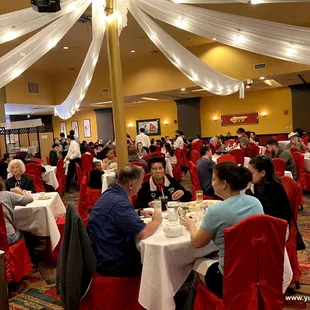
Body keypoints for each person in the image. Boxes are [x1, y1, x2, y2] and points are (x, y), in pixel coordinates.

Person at [181, 162, 264, 298]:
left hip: (229, 279)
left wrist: (190, 224)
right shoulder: (255, 202)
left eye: (214, 179)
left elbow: (197, 243)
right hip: (256, 269)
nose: (211, 183)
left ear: (224, 184)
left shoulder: (216, 211)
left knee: (196, 262)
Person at [87, 165, 162, 277]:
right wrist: (156, 221)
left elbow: (116, 216)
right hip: (112, 261)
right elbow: (143, 233)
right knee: (155, 258)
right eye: (140, 183)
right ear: (131, 185)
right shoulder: (120, 203)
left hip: (100, 250)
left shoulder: (110, 193)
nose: (141, 186)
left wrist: (138, 212)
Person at [246, 155, 294, 229]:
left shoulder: (274, 187)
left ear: (262, 173)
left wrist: (248, 191)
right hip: (268, 220)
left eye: (251, 173)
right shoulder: (258, 184)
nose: (248, 175)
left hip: (279, 226)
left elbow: (262, 207)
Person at [0, 179, 33, 245]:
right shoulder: (6, 194)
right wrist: (21, 192)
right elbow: (29, 199)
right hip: (7, 238)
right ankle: (23, 253)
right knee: (24, 231)